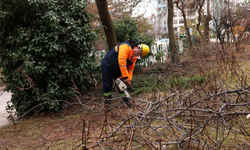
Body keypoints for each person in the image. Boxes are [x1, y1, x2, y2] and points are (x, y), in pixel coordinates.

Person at [101, 40, 149, 111]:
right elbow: (122, 61)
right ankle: (107, 104)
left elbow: (131, 69)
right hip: (108, 65)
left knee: (122, 85)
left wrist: (128, 80)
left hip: (117, 67)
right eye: (138, 53)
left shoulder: (134, 56)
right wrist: (125, 77)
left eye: (139, 55)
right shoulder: (125, 46)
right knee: (107, 86)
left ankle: (127, 102)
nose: (137, 56)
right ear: (137, 48)